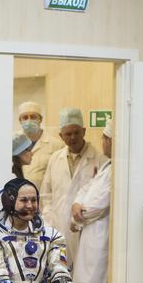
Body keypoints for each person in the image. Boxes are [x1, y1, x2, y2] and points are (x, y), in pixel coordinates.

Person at [70, 123, 113, 283]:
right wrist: (77, 205)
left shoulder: (114, 171)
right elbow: (83, 191)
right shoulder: (106, 167)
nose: (103, 142)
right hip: (88, 238)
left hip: (98, 242)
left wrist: (79, 211)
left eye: (106, 139)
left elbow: (94, 205)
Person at [40, 107, 103, 266]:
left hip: (86, 228)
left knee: (83, 276)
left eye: (76, 132)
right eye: (68, 134)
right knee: (59, 274)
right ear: (61, 136)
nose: (73, 137)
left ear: (84, 131)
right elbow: (46, 194)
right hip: (58, 226)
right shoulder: (55, 158)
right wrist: (48, 219)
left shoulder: (98, 159)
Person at [15, 101, 64, 189]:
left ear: (40, 119)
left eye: (33, 117)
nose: (29, 120)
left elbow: (61, 176)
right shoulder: (13, 143)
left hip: (43, 198)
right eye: (25, 117)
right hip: (18, 196)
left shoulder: (56, 145)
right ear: (20, 120)